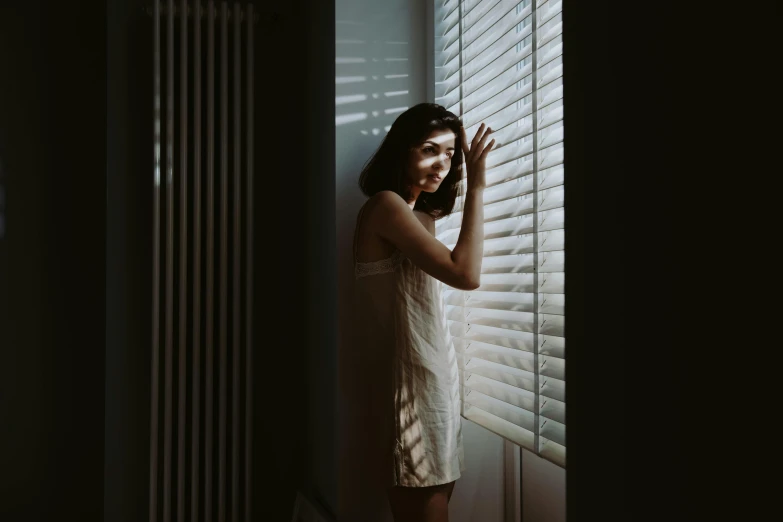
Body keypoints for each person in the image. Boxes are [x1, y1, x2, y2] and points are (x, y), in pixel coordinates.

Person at [350, 102, 495, 522]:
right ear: (403, 151)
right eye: (430, 149)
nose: (443, 164)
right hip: (410, 390)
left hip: (433, 382)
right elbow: (465, 273)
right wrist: (479, 187)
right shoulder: (385, 206)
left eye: (451, 154)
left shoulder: (417, 216)